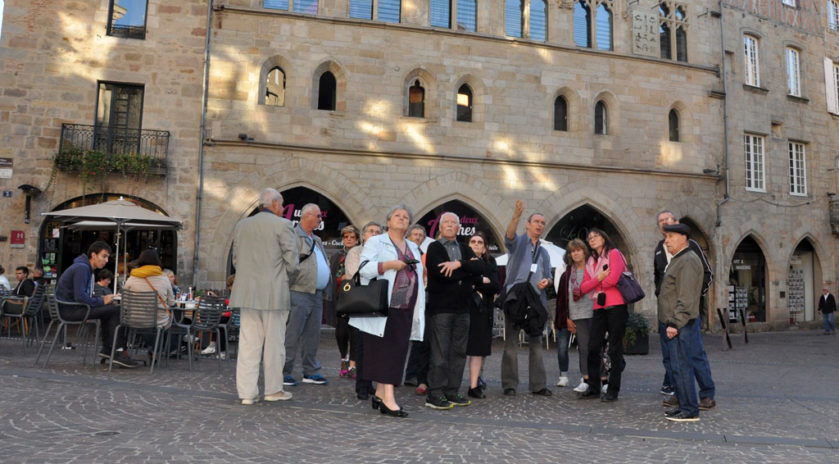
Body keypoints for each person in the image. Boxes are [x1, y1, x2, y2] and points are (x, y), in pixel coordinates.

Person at [350, 205, 426, 418]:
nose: (402, 219)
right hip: (384, 304)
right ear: (389, 221)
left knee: (399, 350)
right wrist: (388, 265)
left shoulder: (412, 245)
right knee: (386, 353)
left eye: (406, 217)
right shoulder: (376, 241)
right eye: (397, 216)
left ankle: (380, 393)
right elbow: (364, 268)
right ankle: (389, 399)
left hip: (406, 305)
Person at [230, 188, 299, 404]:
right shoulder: (284, 225)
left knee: (248, 344)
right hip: (274, 293)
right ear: (276, 204)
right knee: (274, 345)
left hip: (247, 293)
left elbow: (235, 260)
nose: (283, 209)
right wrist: (284, 279)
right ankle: (273, 390)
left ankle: (247, 394)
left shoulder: (242, 225)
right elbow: (293, 263)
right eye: (282, 205)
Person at [654, 210, 716, 411]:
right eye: (661, 223)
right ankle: (682, 395)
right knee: (673, 360)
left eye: (668, 222)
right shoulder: (660, 249)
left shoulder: (690, 250)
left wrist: (694, 298)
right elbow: (660, 279)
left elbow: (702, 276)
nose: (664, 226)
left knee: (693, 356)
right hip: (670, 314)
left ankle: (704, 395)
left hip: (684, 314)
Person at [424, 212, 483, 410]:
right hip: (441, 309)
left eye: (453, 223)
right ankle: (435, 393)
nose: (449, 225)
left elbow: (480, 267)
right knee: (440, 353)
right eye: (446, 222)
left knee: (458, 353)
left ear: (459, 228)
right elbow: (441, 274)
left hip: (463, 309)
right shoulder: (434, 248)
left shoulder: (466, 249)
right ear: (440, 227)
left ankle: (451, 390)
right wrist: (467, 271)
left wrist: (458, 264)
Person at [55, 241, 138, 368]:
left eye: (108, 257)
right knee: (115, 310)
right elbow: (80, 296)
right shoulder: (82, 268)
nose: (106, 260)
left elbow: (82, 295)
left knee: (111, 310)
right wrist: (101, 300)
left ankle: (109, 349)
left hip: (72, 307)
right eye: (104, 256)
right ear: (93, 255)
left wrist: (103, 299)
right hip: (70, 310)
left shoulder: (84, 267)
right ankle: (117, 351)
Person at [501, 200, 553, 397]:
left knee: (537, 344)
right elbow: (509, 235)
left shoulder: (544, 251)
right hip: (516, 297)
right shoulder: (518, 243)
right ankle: (510, 385)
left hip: (536, 299)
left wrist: (546, 282)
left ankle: (538, 385)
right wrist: (516, 215)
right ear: (528, 225)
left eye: (542, 223)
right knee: (511, 345)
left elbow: (548, 275)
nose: (540, 225)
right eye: (536, 221)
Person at [658, 223, 704, 422]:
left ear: (684, 238)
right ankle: (685, 405)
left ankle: (690, 409)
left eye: (670, 236)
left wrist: (675, 323)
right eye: (666, 237)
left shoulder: (687, 261)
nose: (666, 241)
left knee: (682, 366)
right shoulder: (680, 259)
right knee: (677, 366)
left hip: (681, 324)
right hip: (675, 322)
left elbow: (686, 297)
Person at [284, 203, 331, 386]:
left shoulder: (317, 239)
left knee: (313, 335)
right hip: (299, 291)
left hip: (316, 293)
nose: (320, 219)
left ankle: (310, 371)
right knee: (292, 333)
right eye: (318, 216)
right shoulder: (294, 236)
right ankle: (283, 370)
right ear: (307, 216)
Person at [578, 228, 627, 401]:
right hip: (599, 306)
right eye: (589, 238)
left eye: (595, 236)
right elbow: (583, 288)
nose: (592, 239)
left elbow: (614, 278)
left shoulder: (614, 254)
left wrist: (595, 283)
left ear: (604, 237)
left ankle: (613, 390)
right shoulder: (591, 260)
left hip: (616, 305)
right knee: (593, 347)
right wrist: (599, 278)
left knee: (614, 349)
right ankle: (593, 387)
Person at [345, 221, 383, 401]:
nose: (374, 234)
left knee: (375, 347)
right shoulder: (355, 252)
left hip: (378, 304)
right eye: (371, 231)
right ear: (363, 236)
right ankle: (361, 385)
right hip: (361, 303)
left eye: (378, 231)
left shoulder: (383, 253)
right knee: (360, 345)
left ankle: (369, 383)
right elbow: (355, 274)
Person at [555, 239, 594, 393]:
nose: (576, 253)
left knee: (598, 348)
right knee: (583, 349)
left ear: (584, 251)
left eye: (579, 249)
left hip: (595, 313)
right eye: (573, 251)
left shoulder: (593, 269)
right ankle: (585, 379)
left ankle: (602, 380)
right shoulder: (567, 274)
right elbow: (562, 300)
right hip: (577, 316)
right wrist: (566, 318)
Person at [466, 231, 499, 399]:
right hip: (463, 310)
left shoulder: (490, 262)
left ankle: (473, 386)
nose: (476, 244)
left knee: (477, 351)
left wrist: (475, 284)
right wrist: (480, 281)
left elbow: (495, 286)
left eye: (480, 242)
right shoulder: (463, 261)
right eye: (473, 241)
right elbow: (462, 283)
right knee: (457, 351)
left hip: (482, 312)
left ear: (485, 247)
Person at [403, 223, 431, 396]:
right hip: (404, 299)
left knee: (418, 339)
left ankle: (412, 374)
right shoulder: (404, 252)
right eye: (415, 234)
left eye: (421, 235)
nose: (418, 237)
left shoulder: (424, 255)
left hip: (420, 300)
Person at [328, 225, 360, 378]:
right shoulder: (337, 256)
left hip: (356, 298)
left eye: (352, 237)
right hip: (340, 298)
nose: (348, 240)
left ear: (357, 239)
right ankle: (343, 358)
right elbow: (332, 277)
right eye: (346, 237)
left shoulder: (361, 254)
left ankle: (353, 364)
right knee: (341, 332)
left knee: (355, 331)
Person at [122, 249, 174, 329]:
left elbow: (124, 302)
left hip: (134, 320)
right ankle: (159, 341)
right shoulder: (164, 279)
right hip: (158, 321)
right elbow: (171, 302)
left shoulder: (132, 278)